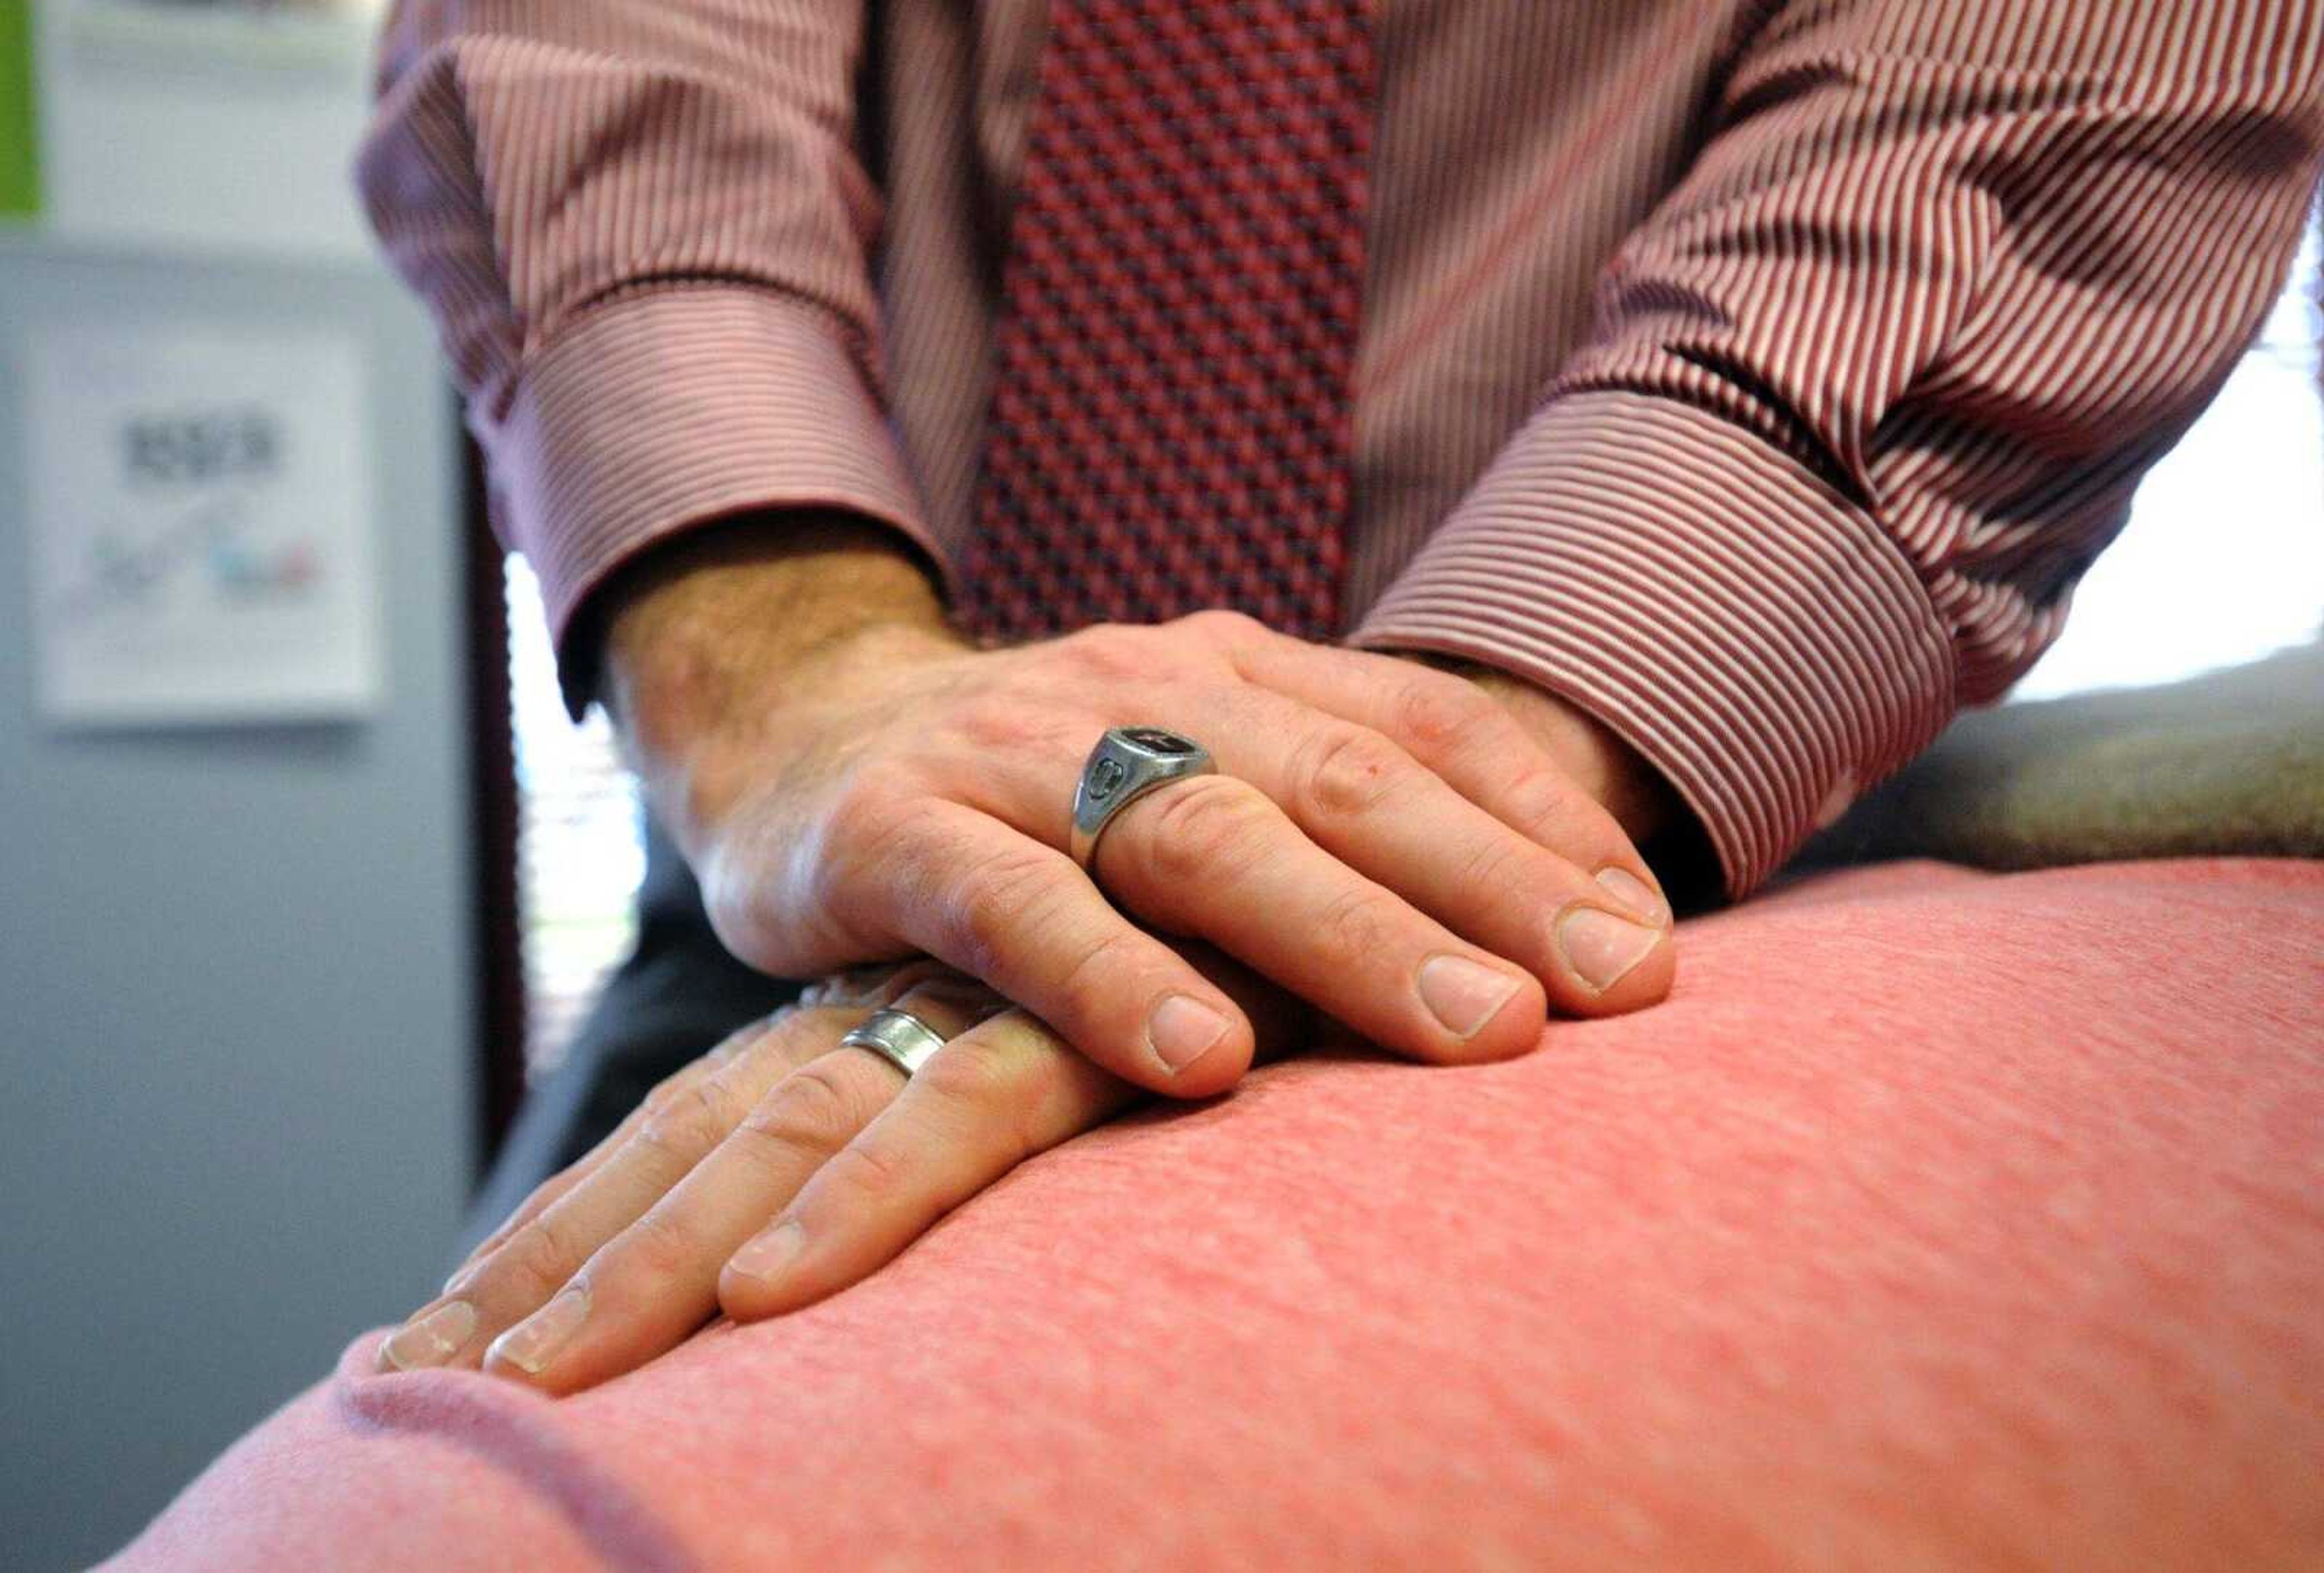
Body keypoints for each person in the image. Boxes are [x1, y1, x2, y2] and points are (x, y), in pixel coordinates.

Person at [343, 0, 2324, 1403]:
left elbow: (2023, 127)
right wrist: (790, 675)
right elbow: (603, 53)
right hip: (833, 868)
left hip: (1627, 855)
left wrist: (1414, 791)